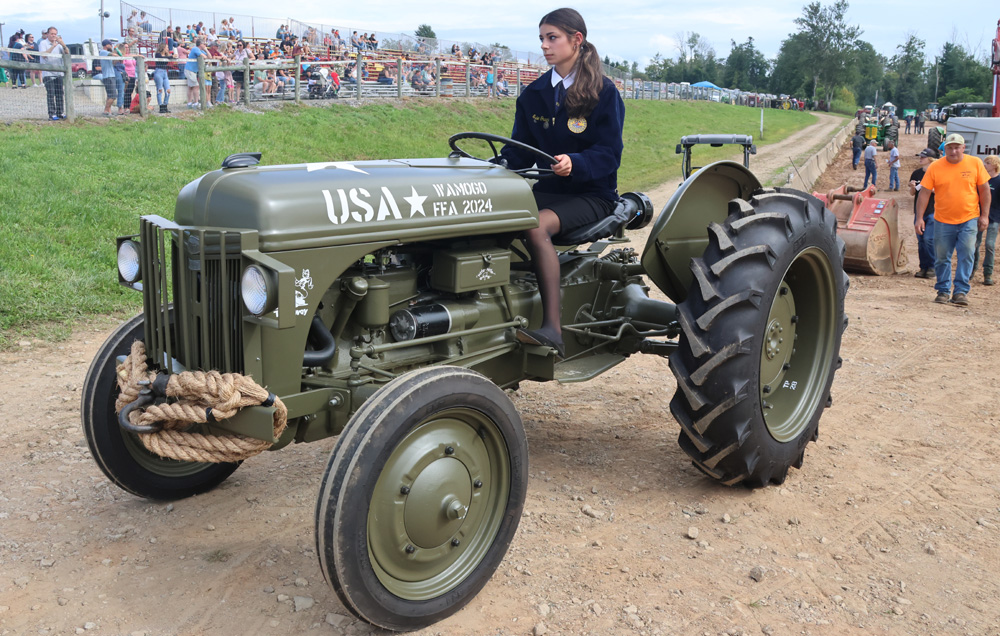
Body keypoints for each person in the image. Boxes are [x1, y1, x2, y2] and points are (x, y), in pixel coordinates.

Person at [498, 8, 624, 357]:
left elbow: (610, 154)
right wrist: (494, 166)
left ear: (576, 40)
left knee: (536, 227)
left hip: (592, 193)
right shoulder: (534, 94)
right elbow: (520, 152)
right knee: (489, 215)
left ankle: (552, 329)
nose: (544, 46)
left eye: (552, 38)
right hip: (548, 190)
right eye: (541, 38)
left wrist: (577, 163)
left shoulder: (603, 92)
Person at [915, 133, 992, 306]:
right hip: (943, 219)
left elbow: (984, 190)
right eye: (950, 147)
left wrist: (984, 215)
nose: (954, 150)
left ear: (963, 148)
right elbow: (925, 193)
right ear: (945, 149)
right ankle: (943, 290)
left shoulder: (975, 163)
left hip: (969, 218)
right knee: (942, 257)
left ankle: (960, 291)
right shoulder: (936, 167)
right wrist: (919, 218)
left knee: (966, 253)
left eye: (957, 147)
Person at [909, 148, 937, 279]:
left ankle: (932, 266)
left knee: (929, 239)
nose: (920, 159)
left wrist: (927, 189)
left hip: (933, 210)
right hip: (919, 211)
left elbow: (941, 191)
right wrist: (913, 187)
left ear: (930, 159)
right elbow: (912, 194)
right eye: (920, 156)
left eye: (923, 157)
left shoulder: (937, 173)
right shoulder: (916, 173)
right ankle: (923, 267)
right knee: (920, 240)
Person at [972, 155, 1000, 285]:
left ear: (995, 165)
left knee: (989, 245)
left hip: (994, 217)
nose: (985, 164)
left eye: (988, 163)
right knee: (975, 244)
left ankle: (988, 274)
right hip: (979, 215)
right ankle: (972, 270)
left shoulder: (998, 180)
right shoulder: (982, 179)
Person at [37, 27, 67, 120]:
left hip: (58, 73)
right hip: (48, 73)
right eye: (52, 34)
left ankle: (60, 112)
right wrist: (53, 46)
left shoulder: (59, 45)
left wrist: (63, 44)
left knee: (59, 93)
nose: (54, 35)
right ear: (47, 34)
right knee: (51, 93)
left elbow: (67, 53)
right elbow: (44, 55)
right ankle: (52, 114)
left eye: (55, 34)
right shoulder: (43, 43)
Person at [185, 37, 208, 108]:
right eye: (204, 44)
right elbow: (203, 57)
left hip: (193, 71)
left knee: (190, 87)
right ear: (201, 44)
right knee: (196, 86)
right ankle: (196, 102)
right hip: (190, 70)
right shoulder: (195, 49)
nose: (205, 45)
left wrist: (206, 50)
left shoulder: (201, 50)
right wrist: (205, 53)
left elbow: (209, 56)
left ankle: (189, 103)